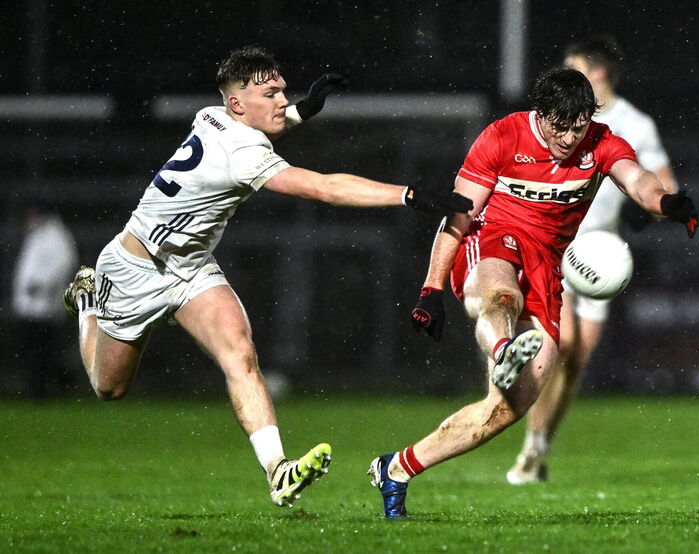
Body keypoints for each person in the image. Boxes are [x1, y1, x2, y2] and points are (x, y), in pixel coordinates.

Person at [62, 46, 472, 509]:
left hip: (192, 267)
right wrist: (409, 194)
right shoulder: (242, 152)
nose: (282, 100)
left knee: (241, 354)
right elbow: (324, 188)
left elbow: (262, 124)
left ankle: (278, 470)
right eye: (271, 93)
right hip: (134, 269)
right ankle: (87, 302)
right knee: (108, 389)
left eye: (282, 91)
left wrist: (302, 111)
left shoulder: (212, 115)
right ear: (238, 104)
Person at [368, 67, 698, 518]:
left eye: (577, 126)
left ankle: (397, 468)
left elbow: (637, 179)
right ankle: (504, 349)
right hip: (493, 238)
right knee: (501, 298)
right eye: (558, 126)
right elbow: (458, 216)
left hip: (548, 265)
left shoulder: (601, 143)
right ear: (539, 114)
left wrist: (666, 203)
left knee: (506, 410)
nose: (568, 137)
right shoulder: (502, 137)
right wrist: (431, 288)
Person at [506, 36, 680, 484]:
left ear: (597, 72)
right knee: (560, 344)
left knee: (579, 358)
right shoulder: (558, 119)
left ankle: (538, 444)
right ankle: (523, 429)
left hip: (600, 256)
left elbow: (667, 188)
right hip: (554, 245)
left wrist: (651, 214)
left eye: (573, 66)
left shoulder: (635, 124)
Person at [11, 199, 78, 397]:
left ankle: (47, 389)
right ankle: (46, 388)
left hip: (44, 306)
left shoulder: (55, 236)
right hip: (33, 306)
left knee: (42, 353)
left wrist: (42, 286)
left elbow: (63, 264)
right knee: (39, 352)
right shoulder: (40, 235)